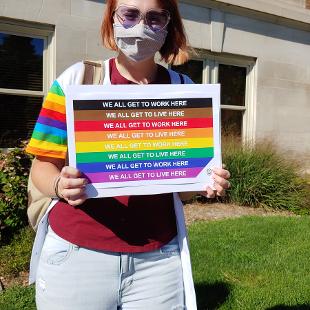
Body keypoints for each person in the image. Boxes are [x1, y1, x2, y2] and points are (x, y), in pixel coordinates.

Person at [26, 0, 231, 309]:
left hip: (158, 260)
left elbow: (183, 191)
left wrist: (205, 182)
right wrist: (59, 185)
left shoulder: (185, 91)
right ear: (112, 19)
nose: (140, 26)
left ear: (168, 24)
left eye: (154, 17)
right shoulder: (75, 81)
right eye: (130, 14)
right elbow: (42, 167)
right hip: (78, 254)